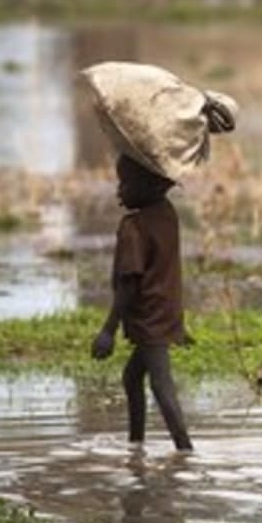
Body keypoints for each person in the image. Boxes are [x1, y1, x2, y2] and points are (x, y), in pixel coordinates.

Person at [93, 154, 194, 452]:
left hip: (149, 317)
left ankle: (185, 450)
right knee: (132, 376)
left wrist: (108, 330)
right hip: (165, 312)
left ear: (148, 186)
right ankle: (136, 446)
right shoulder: (167, 213)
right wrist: (177, 321)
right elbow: (166, 268)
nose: (119, 191)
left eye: (125, 183)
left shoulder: (133, 227)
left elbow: (128, 284)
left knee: (161, 386)